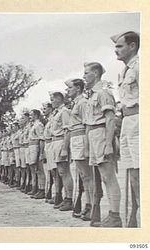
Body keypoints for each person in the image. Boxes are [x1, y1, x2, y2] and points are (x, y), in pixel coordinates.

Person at [83, 62, 122, 227]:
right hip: (93, 135)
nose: (84, 76)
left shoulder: (103, 93)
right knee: (101, 177)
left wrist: (108, 144)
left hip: (101, 134)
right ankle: (110, 216)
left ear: (96, 73)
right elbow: (88, 124)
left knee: (108, 177)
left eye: (87, 73)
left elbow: (110, 119)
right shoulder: (91, 96)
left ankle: (115, 216)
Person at [111, 31, 139, 227]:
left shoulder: (140, 67)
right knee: (132, 170)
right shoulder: (125, 70)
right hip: (127, 121)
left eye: (120, 46)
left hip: (139, 119)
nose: (116, 50)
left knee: (140, 169)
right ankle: (135, 215)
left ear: (133, 46)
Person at [65, 79, 93, 220]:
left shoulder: (82, 103)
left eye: (70, 87)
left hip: (81, 138)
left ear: (78, 88)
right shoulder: (76, 103)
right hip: (75, 139)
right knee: (83, 176)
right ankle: (87, 206)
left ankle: (91, 206)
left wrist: (87, 146)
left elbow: (87, 124)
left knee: (87, 176)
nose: (67, 90)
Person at [50, 92, 74, 211]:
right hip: (55, 142)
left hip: (61, 142)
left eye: (53, 99)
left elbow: (67, 130)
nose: (52, 102)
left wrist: (65, 148)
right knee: (60, 171)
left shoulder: (64, 111)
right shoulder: (57, 112)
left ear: (59, 99)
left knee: (65, 171)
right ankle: (65, 197)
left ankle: (69, 199)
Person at [28, 109, 46, 199]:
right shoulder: (33, 125)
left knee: (40, 169)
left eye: (31, 115)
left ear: (35, 115)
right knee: (36, 170)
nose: (30, 117)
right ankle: (39, 188)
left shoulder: (39, 125)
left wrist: (41, 152)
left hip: (36, 147)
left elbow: (42, 139)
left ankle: (42, 190)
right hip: (32, 147)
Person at [42, 103, 56, 204]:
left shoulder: (54, 117)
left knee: (55, 172)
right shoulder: (48, 120)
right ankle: (52, 193)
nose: (44, 111)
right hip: (48, 144)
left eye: (45, 108)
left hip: (52, 143)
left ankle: (56, 194)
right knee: (51, 171)